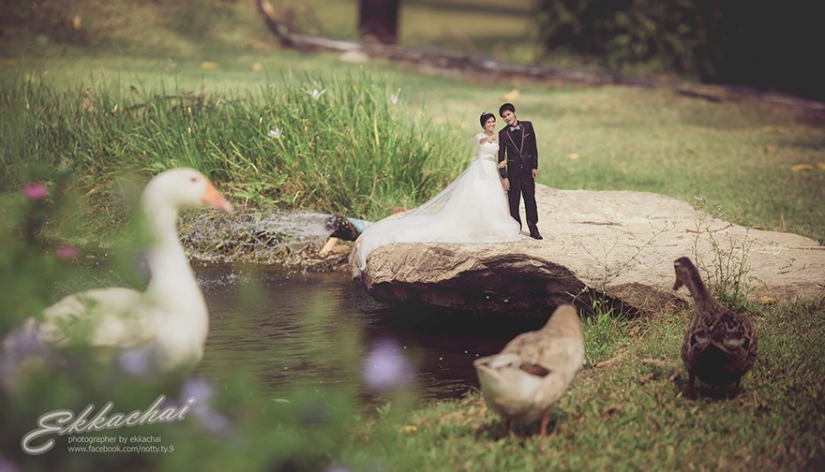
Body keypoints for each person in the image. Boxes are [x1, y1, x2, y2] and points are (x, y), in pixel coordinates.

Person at [353, 111, 521, 268]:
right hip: (480, 168)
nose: (491, 124)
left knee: (492, 198)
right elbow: (482, 143)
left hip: (491, 169)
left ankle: (492, 223)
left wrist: (504, 162)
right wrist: (490, 139)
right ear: (483, 124)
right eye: (489, 122)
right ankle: (476, 224)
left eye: (493, 122)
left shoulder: (499, 137)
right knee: (476, 195)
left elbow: (502, 151)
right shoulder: (481, 136)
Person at [498, 103, 542, 240]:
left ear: (514, 113)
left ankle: (533, 228)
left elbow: (533, 147)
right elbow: (501, 157)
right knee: (513, 201)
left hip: (527, 170)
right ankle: (516, 228)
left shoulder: (527, 126)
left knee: (530, 199)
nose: (507, 118)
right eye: (504, 116)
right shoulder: (502, 134)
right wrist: (504, 177)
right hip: (513, 173)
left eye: (508, 114)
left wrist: (534, 166)